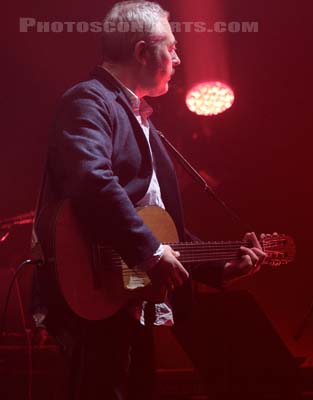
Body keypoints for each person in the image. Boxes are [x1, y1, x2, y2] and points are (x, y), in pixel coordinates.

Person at [31, 1, 265, 399]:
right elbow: (92, 179)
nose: (178, 57)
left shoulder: (142, 121)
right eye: (171, 47)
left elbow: (160, 225)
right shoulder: (88, 101)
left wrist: (220, 266)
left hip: (130, 300)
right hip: (92, 296)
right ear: (142, 51)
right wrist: (151, 252)